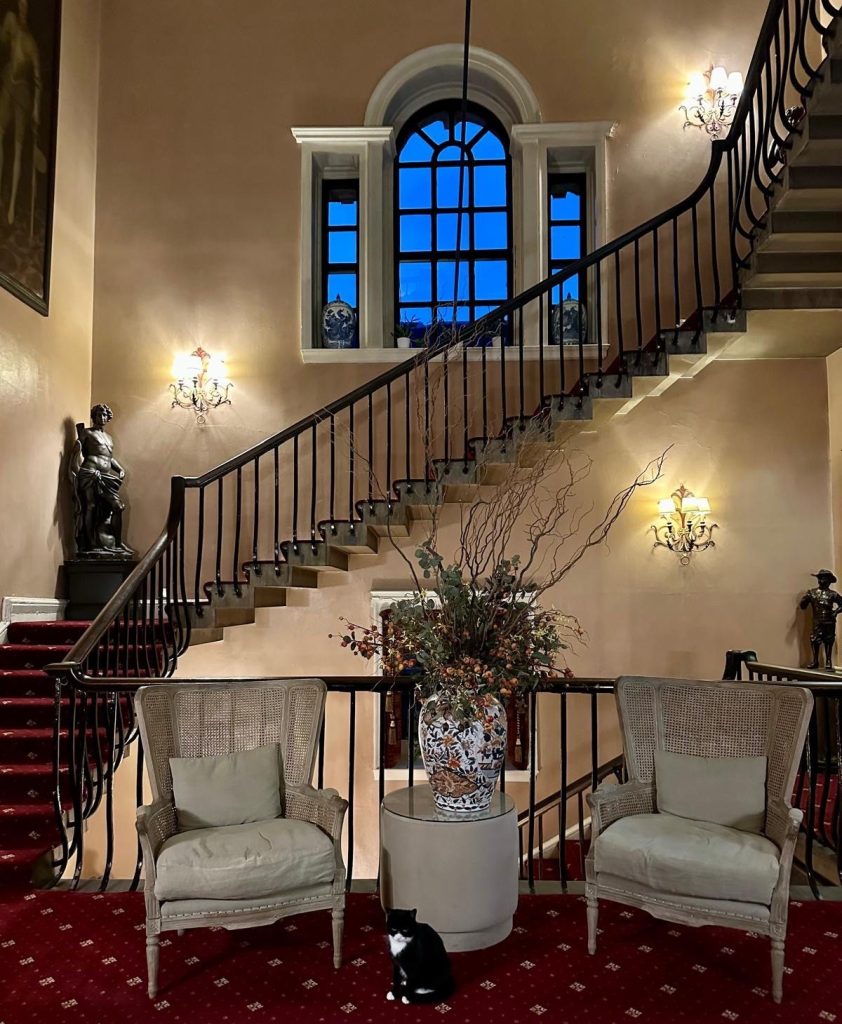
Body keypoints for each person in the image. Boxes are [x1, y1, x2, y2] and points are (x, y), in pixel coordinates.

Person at [69, 404, 134, 557]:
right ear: (94, 417)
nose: (102, 418)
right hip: (90, 472)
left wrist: (120, 469)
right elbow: (78, 453)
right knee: (90, 506)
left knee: (117, 507)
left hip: (106, 477)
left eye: (104, 415)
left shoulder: (109, 438)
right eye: (99, 415)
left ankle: (118, 544)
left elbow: (108, 458)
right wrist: (77, 471)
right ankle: (90, 544)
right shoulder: (86, 433)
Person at [0, 0, 41, 226]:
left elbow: (37, 80)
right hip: (8, 84)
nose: (23, 9)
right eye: (20, 5)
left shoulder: (31, 43)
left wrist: (36, 109)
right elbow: (4, 39)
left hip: (22, 94)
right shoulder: (12, 26)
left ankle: (13, 204)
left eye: (26, 6)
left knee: (17, 148)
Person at [799, 569, 842, 670]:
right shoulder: (812, 593)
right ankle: (815, 660)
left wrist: (835, 612)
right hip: (817, 621)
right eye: (821, 578)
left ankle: (828, 661)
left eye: (825, 578)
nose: (822, 580)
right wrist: (805, 600)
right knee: (815, 640)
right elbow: (803, 606)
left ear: (829, 581)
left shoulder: (833, 594)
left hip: (829, 621)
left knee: (829, 640)